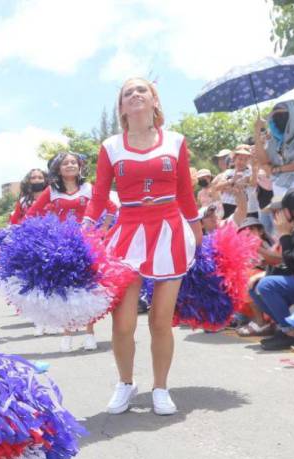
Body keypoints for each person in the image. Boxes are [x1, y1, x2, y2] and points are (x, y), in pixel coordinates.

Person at [83, 77, 202, 416]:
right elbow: (99, 197)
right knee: (123, 323)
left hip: (169, 232)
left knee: (161, 322)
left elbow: (185, 194)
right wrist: (86, 231)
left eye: (142, 91)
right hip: (128, 234)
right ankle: (125, 382)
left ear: (154, 101)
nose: (135, 95)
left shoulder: (176, 141)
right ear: (121, 107)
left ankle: (161, 387)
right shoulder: (110, 146)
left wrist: (196, 233)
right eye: (127, 93)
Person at [27, 151, 117, 351]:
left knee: (88, 288)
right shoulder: (51, 191)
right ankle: (67, 334)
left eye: (73, 162)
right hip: (62, 246)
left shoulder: (89, 188)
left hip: (86, 243)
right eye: (65, 163)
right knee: (66, 289)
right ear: (58, 169)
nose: (70, 165)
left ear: (80, 167)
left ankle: (89, 334)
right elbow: (32, 214)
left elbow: (111, 207)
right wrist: (44, 233)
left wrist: (103, 229)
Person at [251, 188, 294, 351]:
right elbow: (288, 263)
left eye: (283, 210)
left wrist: (283, 235)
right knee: (256, 287)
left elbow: (293, 262)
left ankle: (291, 334)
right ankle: (285, 329)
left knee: (267, 285)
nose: (279, 214)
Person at [253, 100, 294, 202]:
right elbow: (264, 162)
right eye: (275, 117)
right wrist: (257, 131)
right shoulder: (276, 142)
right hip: (282, 197)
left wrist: (276, 169)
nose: (278, 120)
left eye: (282, 115)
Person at [217, 145, 257, 219]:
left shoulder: (250, 173)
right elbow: (218, 187)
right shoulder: (228, 172)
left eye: (245, 160)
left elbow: (251, 184)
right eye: (240, 159)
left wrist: (228, 187)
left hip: (240, 207)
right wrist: (232, 181)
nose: (242, 162)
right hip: (224, 206)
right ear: (234, 159)